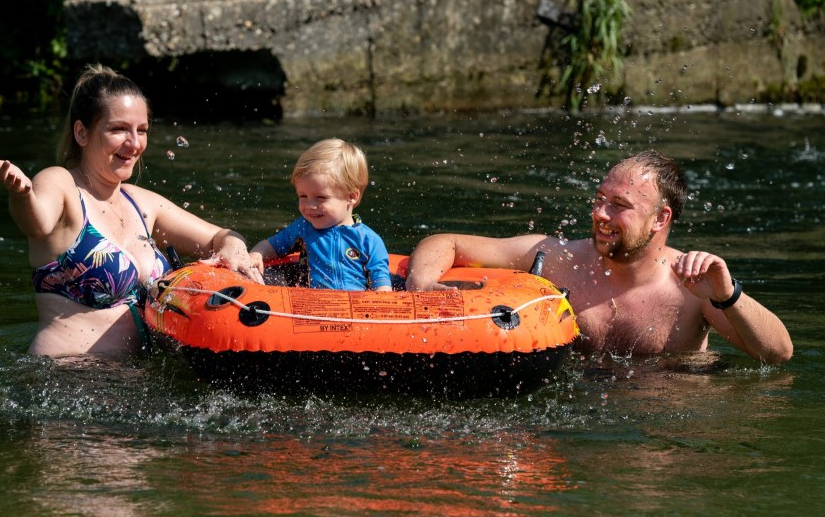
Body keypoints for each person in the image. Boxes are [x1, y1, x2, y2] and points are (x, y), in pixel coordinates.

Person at [406, 150, 793, 364]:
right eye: (599, 199)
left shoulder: (690, 287)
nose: (600, 214)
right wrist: (420, 282)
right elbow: (446, 243)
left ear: (661, 218)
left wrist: (727, 295)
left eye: (619, 205)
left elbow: (778, 355)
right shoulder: (557, 259)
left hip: (663, 433)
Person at [0, 64, 263, 357]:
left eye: (141, 130)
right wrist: (22, 195)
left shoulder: (142, 203)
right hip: (67, 380)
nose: (134, 143)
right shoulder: (60, 183)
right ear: (82, 132)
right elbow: (36, 223)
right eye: (118, 129)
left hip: (135, 382)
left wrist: (235, 251)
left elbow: (222, 236)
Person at [249, 138, 392, 291]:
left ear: (351, 196)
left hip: (353, 310)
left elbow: (382, 286)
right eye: (303, 196)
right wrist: (257, 254)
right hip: (310, 307)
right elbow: (272, 245)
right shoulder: (303, 228)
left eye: (321, 197)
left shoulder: (369, 241)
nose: (309, 206)